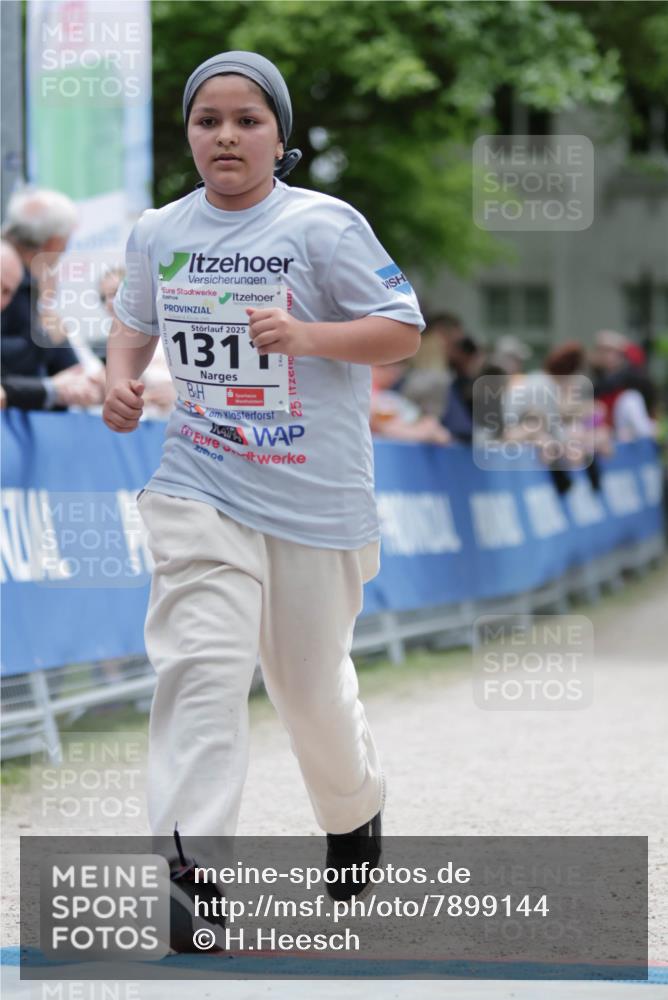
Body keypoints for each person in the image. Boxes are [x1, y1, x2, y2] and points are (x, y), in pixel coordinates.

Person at [103, 51, 424, 950]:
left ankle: (354, 809)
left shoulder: (324, 227)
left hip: (314, 498)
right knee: (200, 666)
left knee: (311, 692)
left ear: (280, 137)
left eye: (248, 120)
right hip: (198, 480)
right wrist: (121, 385)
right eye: (209, 121)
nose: (227, 136)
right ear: (190, 134)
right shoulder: (158, 231)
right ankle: (192, 873)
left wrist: (306, 334)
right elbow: (132, 327)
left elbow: (402, 330)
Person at [1, 191, 102, 410]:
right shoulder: (20, 287)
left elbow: (68, 363)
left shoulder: (34, 288)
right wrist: (52, 388)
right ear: (55, 243)